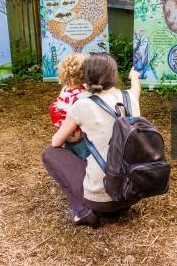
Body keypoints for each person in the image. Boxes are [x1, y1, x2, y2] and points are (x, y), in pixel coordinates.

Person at [42, 53, 142, 227]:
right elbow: (136, 89)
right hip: (131, 193)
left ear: (86, 79)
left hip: (102, 200)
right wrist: (134, 76)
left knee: (49, 153)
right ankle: (116, 203)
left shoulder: (81, 104)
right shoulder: (129, 98)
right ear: (114, 76)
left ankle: (81, 210)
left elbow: (56, 142)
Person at [48, 53, 89, 159]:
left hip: (66, 135)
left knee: (71, 159)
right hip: (81, 140)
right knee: (85, 163)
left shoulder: (65, 89)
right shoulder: (83, 94)